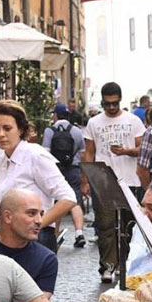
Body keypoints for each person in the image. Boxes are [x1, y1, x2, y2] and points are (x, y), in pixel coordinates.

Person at [0, 100, 77, 253]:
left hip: (36, 240)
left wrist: (36, 225)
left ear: (20, 129)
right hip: (8, 240)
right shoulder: (1, 162)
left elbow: (68, 198)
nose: (1, 134)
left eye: (7, 128)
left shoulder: (35, 155)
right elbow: (11, 206)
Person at [84, 82, 146, 283]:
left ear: (120, 100)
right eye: (107, 104)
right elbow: (89, 152)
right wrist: (86, 179)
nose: (111, 107)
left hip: (130, 179)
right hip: (103, 180)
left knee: (128, 225)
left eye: (115, 103)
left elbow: (143, 149)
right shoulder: (93, 123)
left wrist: (126, 151)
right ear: (102, 102)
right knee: (105, 225)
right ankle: (108, 266)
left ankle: (124, 263)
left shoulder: (133, 121)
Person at [0, 188, 59, 296]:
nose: (39, 221)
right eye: (31, 214)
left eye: (41, 214)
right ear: (8, 216)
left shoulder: (46, 259)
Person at [42, 103, 86, 248]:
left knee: (57, 202)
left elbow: (45, 153)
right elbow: (83, 153)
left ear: (55, 115)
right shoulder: (77, 131)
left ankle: (55, 234)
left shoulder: (50, 131)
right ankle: (79, 233)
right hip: (73, 169)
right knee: (75, 201)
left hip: (55, 170)